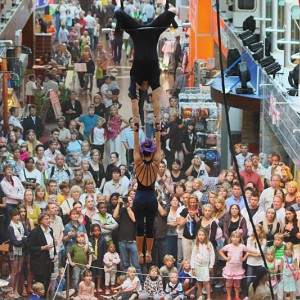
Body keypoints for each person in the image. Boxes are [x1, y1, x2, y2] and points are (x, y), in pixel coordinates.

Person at [114, 0, 177, 129]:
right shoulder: (153, 77)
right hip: (151, 32)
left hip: (139, 32)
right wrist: (156, 119)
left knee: (118, 12)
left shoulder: (136, 77)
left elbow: (134, 99)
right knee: (172, 11)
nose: (144, 87)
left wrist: (137, 119)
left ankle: (170, 14)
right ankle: (170, 14)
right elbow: (156, 100)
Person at [219, 231, 257, 300]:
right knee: (228, 284)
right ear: (231, 238)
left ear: (240, 238)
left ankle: (237, 296)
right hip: (229, 268)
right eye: (233, 237)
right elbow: (220, 251)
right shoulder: (228, 246)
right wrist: (225, 258)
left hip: (238, 269)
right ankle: (229, 296)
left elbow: (250, 251)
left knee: (237, 284)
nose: (235, 239)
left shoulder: (242, 246)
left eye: (237, 237)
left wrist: (247, 255)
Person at [28, 213, 57, 297]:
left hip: (49, 262)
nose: (49, 220)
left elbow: (53, 244)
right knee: (40, 286)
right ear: (41, 221)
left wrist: (55, 254)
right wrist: (43, 248)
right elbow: (30, 247)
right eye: (46, 219)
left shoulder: (50, 230)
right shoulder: (35, 232)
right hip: (39, 263)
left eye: (49, 219)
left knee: (46, 285)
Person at [7, 209, 29, 298]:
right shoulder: (10, 227)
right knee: (14, 271)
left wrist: (22, 240)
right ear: (12, 216)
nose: (18, 216)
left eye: (18, 215)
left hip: (22, 250)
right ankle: (11, 291)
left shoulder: (22, 224)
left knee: (19, 271)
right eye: (15, 215)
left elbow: (28, 235)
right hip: (14, 250)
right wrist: (24, 239)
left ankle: (16, 290)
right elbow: (15, 242)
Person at [190, 228, 215, 300]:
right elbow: (193, 256)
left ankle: (209, 297)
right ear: (197, 236)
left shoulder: (209, 244)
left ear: (205, 236)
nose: (201, 236)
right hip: (197, 265)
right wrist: (192, 267)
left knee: (206, 281)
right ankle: (201, 295)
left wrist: (211, 265)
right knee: (198, 280)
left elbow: (212, 255)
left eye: (203, 235)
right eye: (199, 235)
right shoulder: (196, 245)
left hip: (205, 266)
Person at [245, 224, 267, 297]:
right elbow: (247, 250)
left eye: (258, 230)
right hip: (250, 263)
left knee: (257, 280)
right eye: (255, 230)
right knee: (248, 280)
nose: (256, 232)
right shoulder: (249, 239)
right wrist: (255, 253)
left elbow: (260, 252)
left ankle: (257, 295)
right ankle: (248, 295)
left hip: (259, 263)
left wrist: (251, 253)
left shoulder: (263, 240)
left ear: (261, 231)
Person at [89, 224, 106, 293]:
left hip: (100, 258)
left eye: (98, 230)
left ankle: (98, 286)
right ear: (92, 232)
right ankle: (93, 287)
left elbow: (104, 250)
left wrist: (104, 260)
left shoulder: (103, 240)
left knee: (99, 273)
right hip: (92, 259)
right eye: (95, 231)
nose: (97, 232)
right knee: (93, 273)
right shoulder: (90, 239)